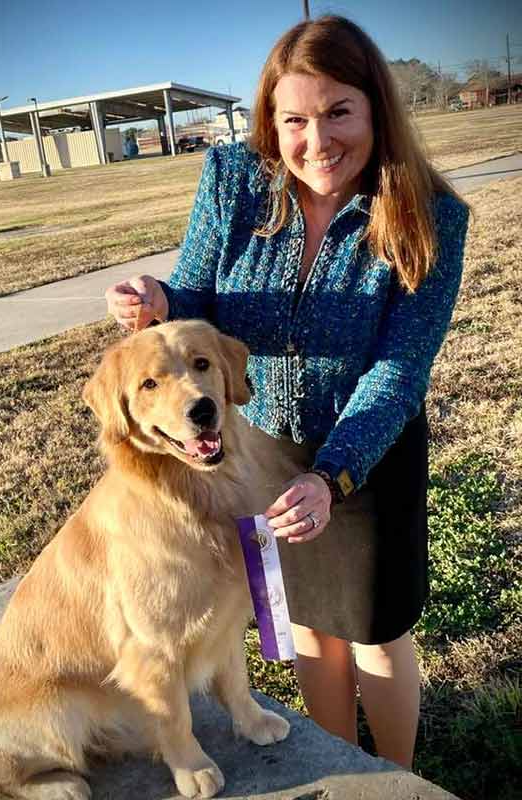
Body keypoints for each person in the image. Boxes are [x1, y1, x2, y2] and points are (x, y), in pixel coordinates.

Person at [105, 15, 469, 770]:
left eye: (339, 112)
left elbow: (400, 370)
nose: (316, 141)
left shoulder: (431, 217)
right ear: (271, 120)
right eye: (294, 119)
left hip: (366, 449)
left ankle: (393, 780)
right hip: (259, 447)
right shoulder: (234, 181)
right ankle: (338, 761)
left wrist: (331, 475)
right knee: (303, 624)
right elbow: (200, 290)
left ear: (375, 108)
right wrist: (159, 297)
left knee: (373, 631)